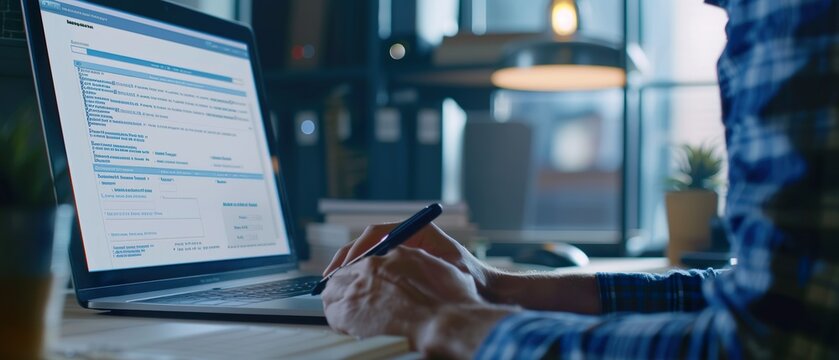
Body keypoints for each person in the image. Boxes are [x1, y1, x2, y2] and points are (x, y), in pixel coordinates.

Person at [321, 0, 839, 358]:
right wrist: (494, 285)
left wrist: (445, 320)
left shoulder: (793, 16)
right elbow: (759, 296)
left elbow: (765, 346)